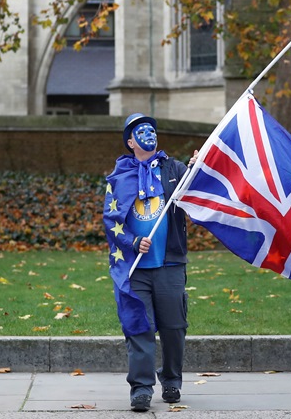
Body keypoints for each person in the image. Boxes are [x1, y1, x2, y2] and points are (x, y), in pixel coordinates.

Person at [103, 113, 193, 412]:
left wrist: (197, 168)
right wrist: (131, 242)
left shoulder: (174, 169)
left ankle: (171, 381)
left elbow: (195, 192)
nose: (149, 133)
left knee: (173, 327)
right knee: (139, 328)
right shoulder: (119, 177)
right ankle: (141, 389)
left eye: (152, 129)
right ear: (130, 141)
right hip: (135, 269)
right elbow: (111, 220)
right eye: (141, 130)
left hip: (169, 265)